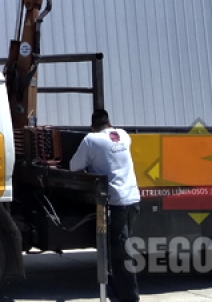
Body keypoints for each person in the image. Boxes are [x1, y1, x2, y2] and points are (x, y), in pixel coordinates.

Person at [70, 109, 140, 302]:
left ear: (92, 127)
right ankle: (118, 290)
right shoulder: (123, 135)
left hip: (116, 202)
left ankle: (129, 297)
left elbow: (74, 166)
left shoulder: (91, 139)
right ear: (109, 123)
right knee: (119, 247)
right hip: (133, 200)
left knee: (120, 251)